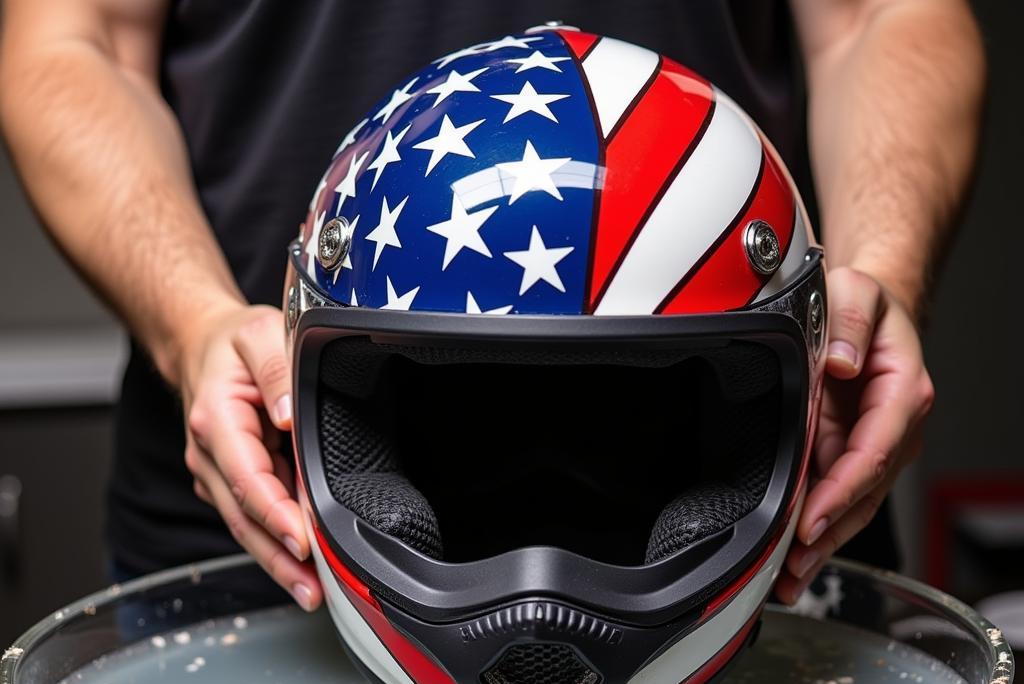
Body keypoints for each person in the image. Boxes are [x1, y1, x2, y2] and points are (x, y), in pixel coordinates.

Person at [0, 1, 984, 612]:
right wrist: (192, 323)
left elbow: (880, 16)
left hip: (738, 477)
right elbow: (76, 44)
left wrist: (874, 281)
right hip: (270, 491)